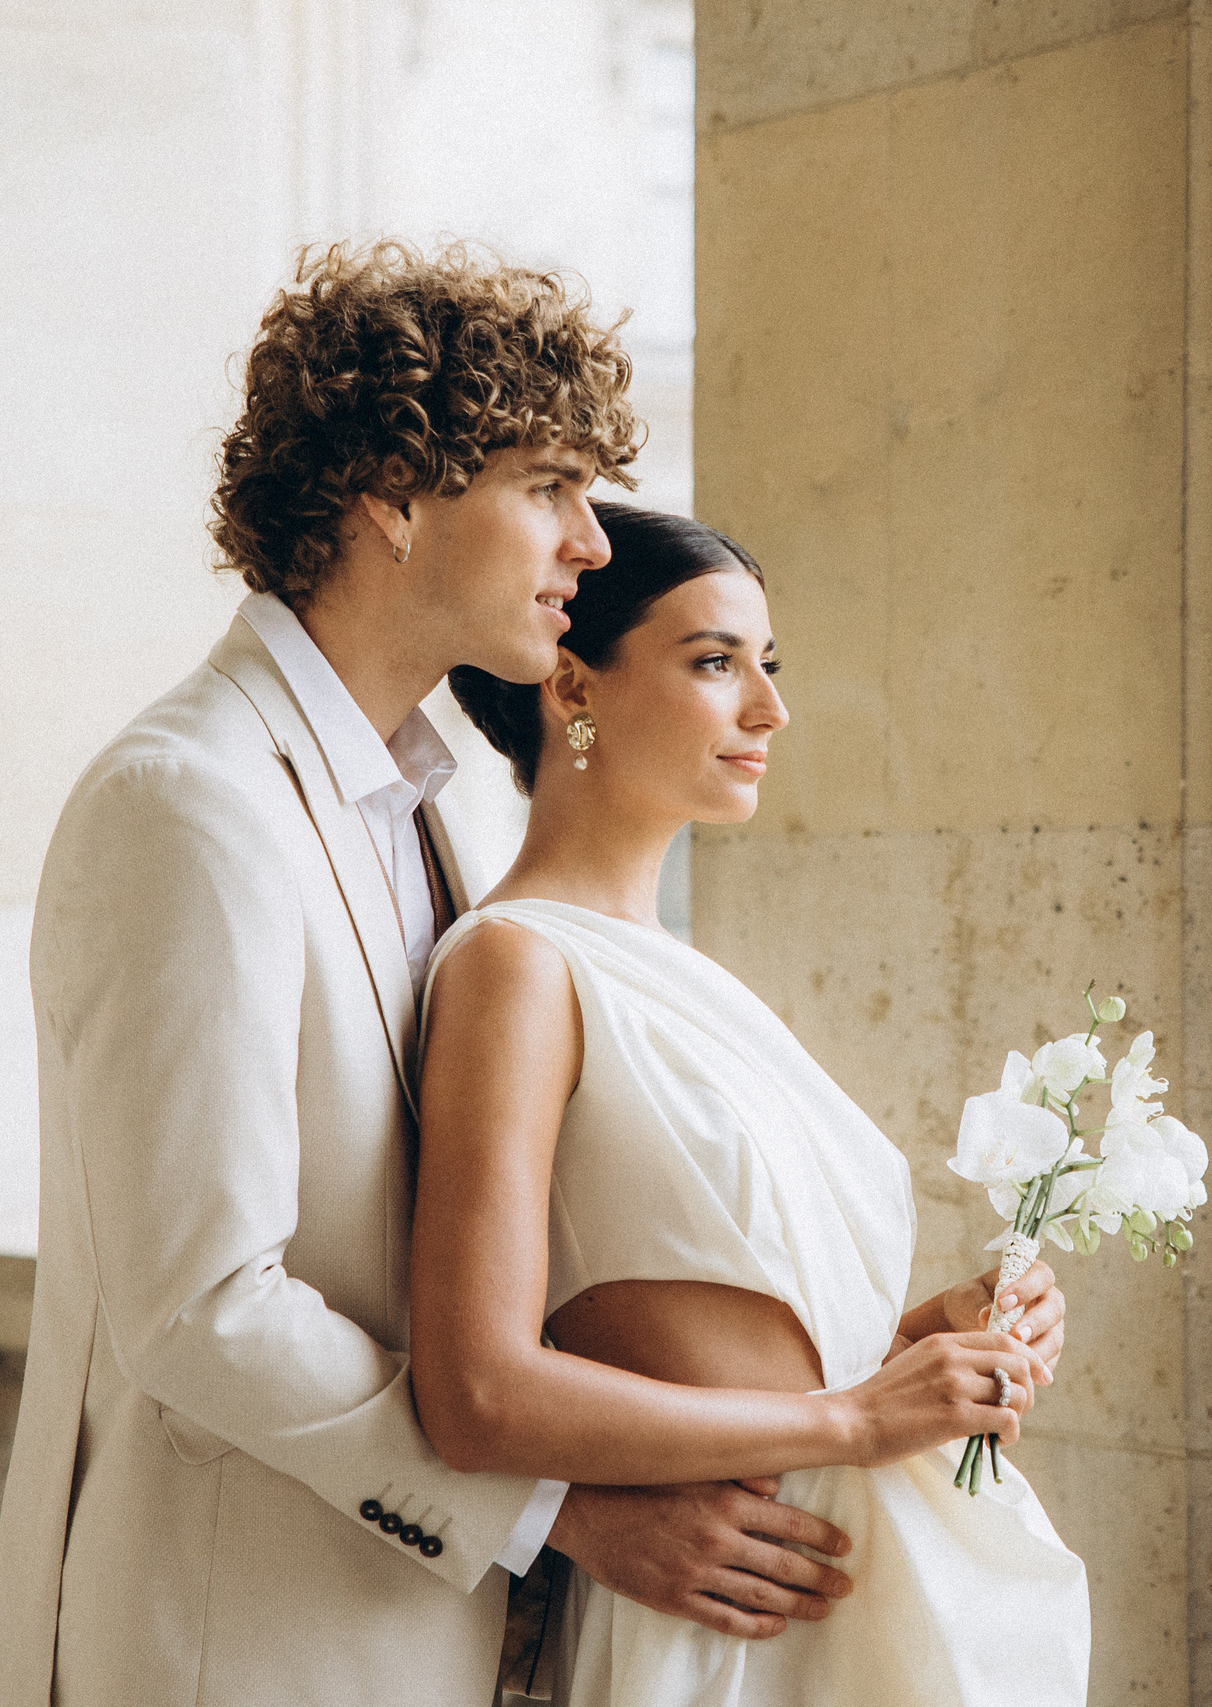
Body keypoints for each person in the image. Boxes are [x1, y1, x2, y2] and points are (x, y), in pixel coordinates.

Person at [0, 242, 1048, 1707]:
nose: (592, 545)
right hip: (242, 1643)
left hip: (432, 1639)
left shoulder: (416, 812)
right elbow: (203, 1305)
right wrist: (560, 1512)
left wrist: (862, 1360)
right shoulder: (191, 799)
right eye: (548, 487)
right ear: (393, 499)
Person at [415, 504, 1093, 1705]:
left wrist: (927, 1342)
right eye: (715, 663)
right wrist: (849, 1420)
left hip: (865, 1585)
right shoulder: (516, 965)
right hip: (731, 1618)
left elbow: (738, 1338)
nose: (769, 711)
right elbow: (480, 1395)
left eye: (765, 667)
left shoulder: (682, 972)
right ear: (572, 687)